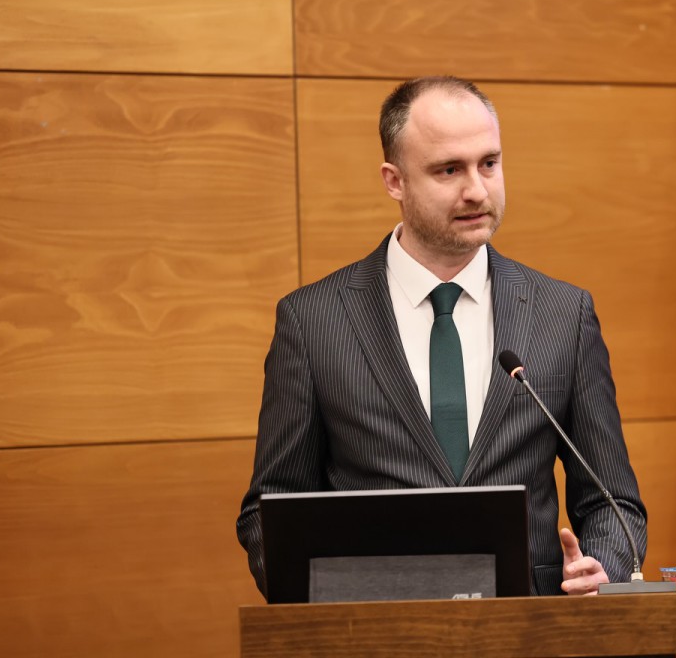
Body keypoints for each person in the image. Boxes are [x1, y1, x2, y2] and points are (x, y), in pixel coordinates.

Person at [235, 76, 646, 597]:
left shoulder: (563, 314)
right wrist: (333, 602)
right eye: (449, 169)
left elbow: (613, 502)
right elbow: (271, 510)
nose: (477, 190)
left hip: (532, 627)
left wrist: (601, 570)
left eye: (489, 163)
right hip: (376, 630)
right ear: (395, 181)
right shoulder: (313, 322)